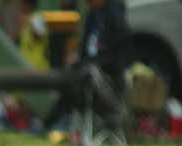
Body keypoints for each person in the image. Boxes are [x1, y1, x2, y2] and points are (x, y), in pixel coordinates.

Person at [43, 0, 132, 132]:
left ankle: (114, 110)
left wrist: (105, 50)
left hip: (108, 69)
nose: (88, 3)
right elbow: (87, 49)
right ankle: (54, 121)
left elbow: (122, 40)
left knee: (88, 73)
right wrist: (78, 59)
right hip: (88, 65)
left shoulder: (114, 12)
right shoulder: (91, 17)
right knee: (72, 78)